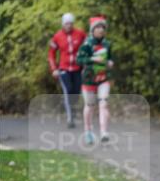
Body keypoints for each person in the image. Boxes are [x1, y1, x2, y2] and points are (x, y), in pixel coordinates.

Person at [77, 16, 115, 145]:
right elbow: (79, 60)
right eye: (98, 27)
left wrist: (110, 62)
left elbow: (109, 58)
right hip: (88, 80)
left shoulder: (107, 44)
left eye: (103, 28)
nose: (100, 30)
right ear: (92, 30)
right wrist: (93, 59)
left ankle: (104, 132)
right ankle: (88, 131)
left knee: (103, 103)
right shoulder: (87, 44)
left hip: (103, 78)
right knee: (90, 106)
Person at [47, 13, 87, 128]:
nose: (68, 26)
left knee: (76, 92)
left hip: (77, 67)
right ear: (63, 24)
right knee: (67, 90)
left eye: (70, 23)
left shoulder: (80, 34)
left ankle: (72, 108)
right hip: (64, 69)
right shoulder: (57, 36)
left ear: (73, 24)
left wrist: (86, 61)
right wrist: (54, 69)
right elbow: (51, 53)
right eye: (66, 24)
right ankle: (70, 118)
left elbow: (88, 46)